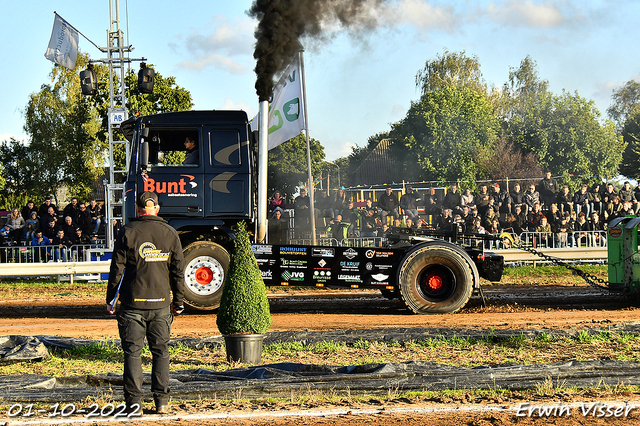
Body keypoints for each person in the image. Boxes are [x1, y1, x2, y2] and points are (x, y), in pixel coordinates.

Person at [106, 191, 185, 415]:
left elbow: (116, 270)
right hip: (160, 303)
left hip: (133, 304)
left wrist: (111, 300)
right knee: (160, 352)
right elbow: (178, 271)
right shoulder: (170, 233)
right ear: (157, 209)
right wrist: (178, 301)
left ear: (138, 210)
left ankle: (134, 404)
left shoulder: (128, 231)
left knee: (132, 353)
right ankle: (161, 402)